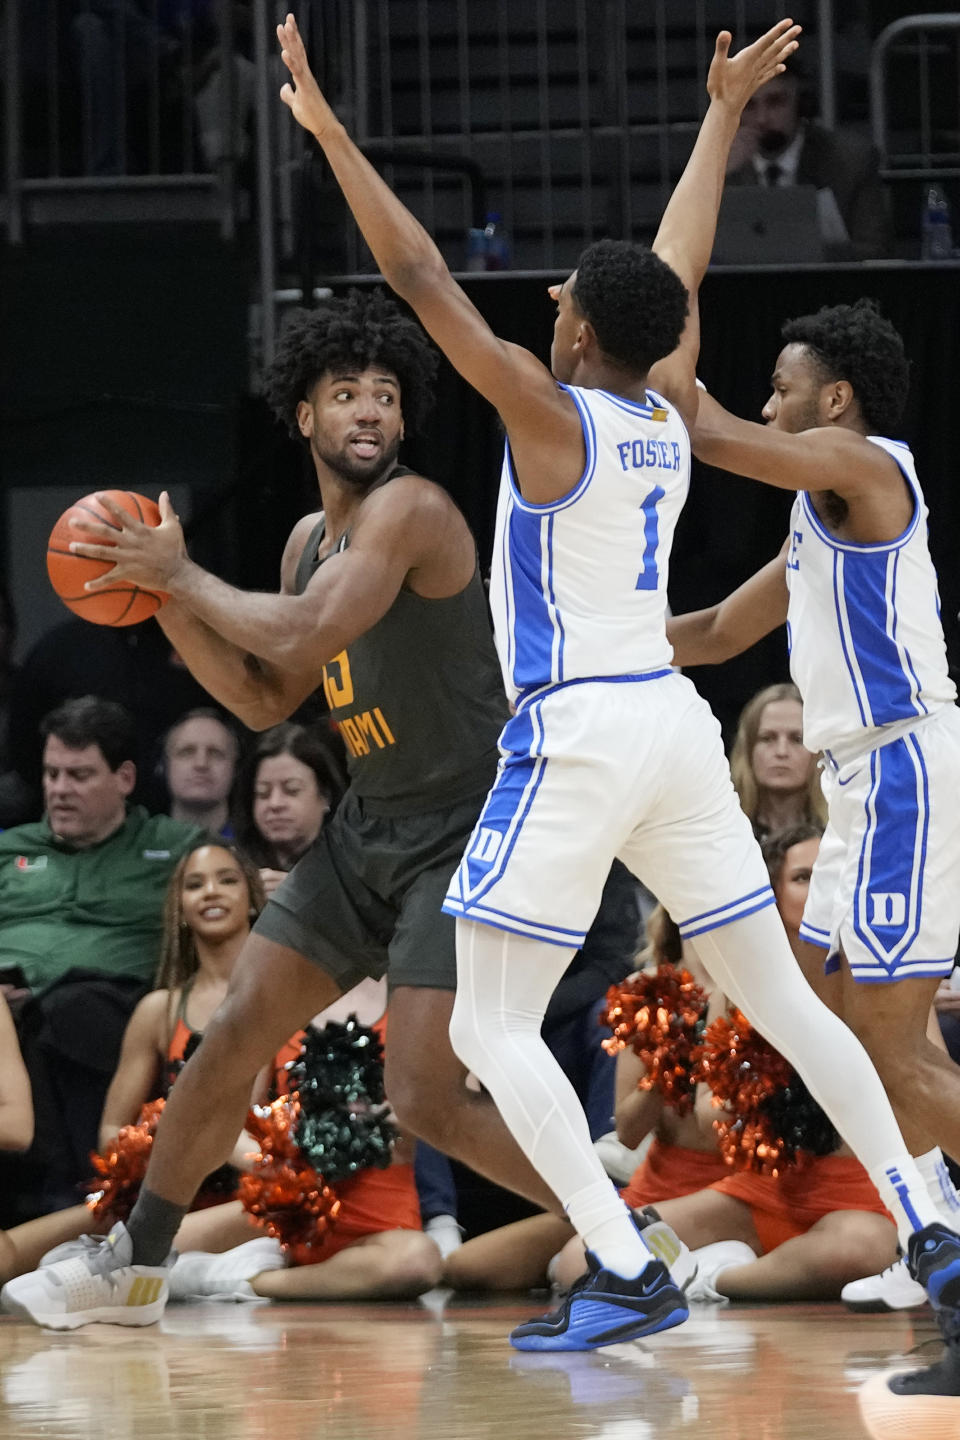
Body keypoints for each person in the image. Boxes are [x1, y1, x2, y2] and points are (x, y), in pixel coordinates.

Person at [260, 9, 960, 1359]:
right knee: (785, 1001)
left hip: (579, 732)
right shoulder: (663, 408)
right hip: (674, 732)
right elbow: (678, 274)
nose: (551, 308)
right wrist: (712, 116)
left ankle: (626, 1261)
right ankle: (926, 1214)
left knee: (491, 1021)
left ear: (578, 330)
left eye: (565, 303)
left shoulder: (549, 409)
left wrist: (331, 131)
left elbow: (417, 274)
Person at [665, 299, 960, 1392]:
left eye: (781, 386)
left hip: (902, 768)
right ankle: (944, 1253)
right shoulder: (812, 514)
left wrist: (663, 308)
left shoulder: (860, 459)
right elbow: (706, 637)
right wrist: (568, 656)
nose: (766, 402)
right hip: (858, 785)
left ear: (831, 401)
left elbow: (703, 429)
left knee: (892, 1055)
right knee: (836, 1035)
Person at [0, 843, 440, 1304]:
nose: (212, 892)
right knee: (55, 1257)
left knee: (412, 1258)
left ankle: (217, 1276)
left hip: (269, 1191)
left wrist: (300, 1158)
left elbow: (256, 1116)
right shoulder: (163, 1008)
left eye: (227, 880)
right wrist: (152, 1147)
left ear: (253, 896)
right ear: (179, 909)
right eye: (195, 884)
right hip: (195, 1184)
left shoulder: (288, 999)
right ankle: (127, 1267)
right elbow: (138, 1124)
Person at [0, 696, 205, 1222]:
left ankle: (72, 1201)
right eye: (51, 774)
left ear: (126, 778)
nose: (59, 789)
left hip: (113, 1006)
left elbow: (232, 895)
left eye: (79, 775)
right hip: (11, 1008)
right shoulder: (12, 848)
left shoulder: (176, 846)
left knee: (70, 1011)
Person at [725, 66, 890, 260]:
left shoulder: (852, 160)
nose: (762, 119)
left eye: (775, 102)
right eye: (749, 106)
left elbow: (875, 251)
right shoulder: (718, 166)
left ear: (802, 105)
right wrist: (718, 176)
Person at [233, 721, 340, 895]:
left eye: (291, 790)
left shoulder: (352, 867)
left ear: (325, 795)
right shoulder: (231, 864)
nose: (275, 804)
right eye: (263, 793)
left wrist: (301, 897)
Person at [728, 681, 826, 840]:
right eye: (767, 738)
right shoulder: (722, 834)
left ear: (818, 751)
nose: (781, 752)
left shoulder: (837, 838)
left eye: (797, 739)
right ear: (748, 749)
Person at [161, 707, 239, 836]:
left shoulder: (256, 852)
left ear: (235, 768)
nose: (201, 763)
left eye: (215, 753)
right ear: (164, 765)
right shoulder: (140, 847)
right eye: (187, 752)